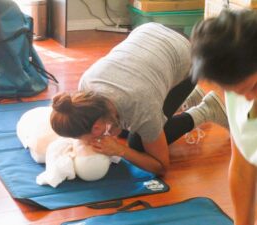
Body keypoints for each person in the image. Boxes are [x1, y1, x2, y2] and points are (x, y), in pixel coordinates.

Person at [50, 22, 228, 176]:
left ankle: (208, 110)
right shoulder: (85, 86)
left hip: (188, 59)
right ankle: (188, 98)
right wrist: (114, 128)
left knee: (136, 144)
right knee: (128, 130)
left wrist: (121, 150)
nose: (85, 143)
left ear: (96, 127)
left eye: (85, 138)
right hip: (150, 33)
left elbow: (161, 166)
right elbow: (112, 115)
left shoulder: (141, 105)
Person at [190, 9, 257, 225]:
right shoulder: (238, 78)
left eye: (254, 87)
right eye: (237, 92)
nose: (247, 98)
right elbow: (242, 166)